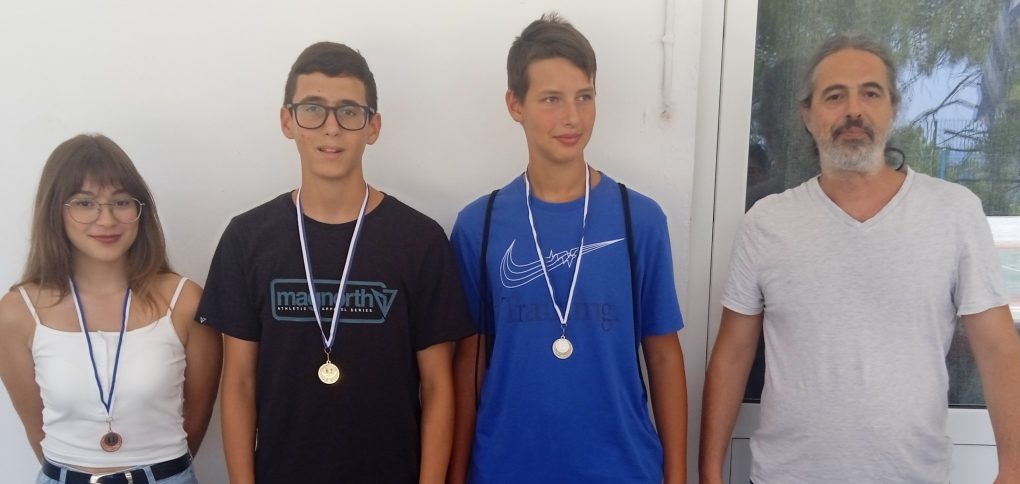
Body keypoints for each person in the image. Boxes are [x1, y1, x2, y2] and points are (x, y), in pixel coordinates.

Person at [699, 34, 1020, 483]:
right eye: (834, 96)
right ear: (807, 115)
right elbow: (733, 354)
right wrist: (709, 471)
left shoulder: (953, 212)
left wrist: (1013, 470)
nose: (853, 110)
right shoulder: (767, 222)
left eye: (870, 93)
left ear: (893, 108)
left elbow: (998, 349)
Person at [197, 42, 474, 483]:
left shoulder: (420, 241)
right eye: (313, 109)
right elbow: (239, 383)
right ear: (287, 121)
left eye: (349, 111)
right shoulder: (246, 239)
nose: (331, 128)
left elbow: (439, 386)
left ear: (373, 127)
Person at [448, 13, 688, 484]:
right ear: (515, 104)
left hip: (623, 470)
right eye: (551, 99)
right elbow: (468, 365)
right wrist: (457, 474)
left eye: (584, 96)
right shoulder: (480, 225)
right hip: (505, 469)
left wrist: (677, 476)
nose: (572, 117)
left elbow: (663, 355)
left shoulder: (639, 220)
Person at [0, 134, 221, 483]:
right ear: (55, 211)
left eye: (121, 202)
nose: (106, 220)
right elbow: (36, 429)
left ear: (140, 210)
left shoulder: (185, 301)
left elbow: (197, 416)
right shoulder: (18, 312)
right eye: (84, 203)